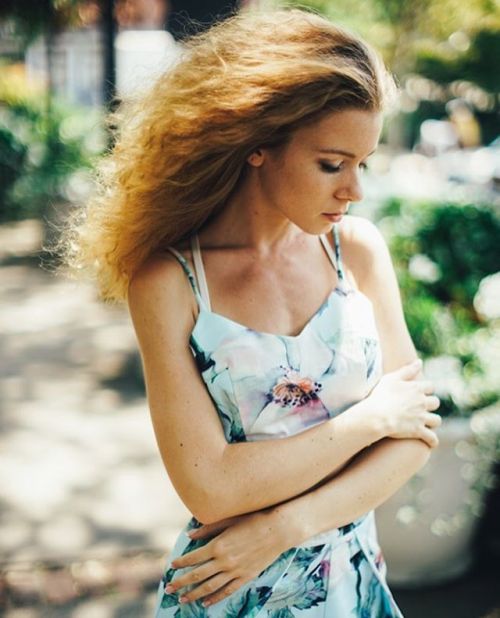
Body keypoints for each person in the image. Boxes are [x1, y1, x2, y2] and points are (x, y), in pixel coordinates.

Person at [57, 7, 442, 616]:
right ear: (258, 144)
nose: (354, 190)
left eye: (361, 164)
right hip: (233, 594)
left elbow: (415, 435)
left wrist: (284, 526)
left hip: (353, 585)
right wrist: (371, 420)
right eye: (330, 164)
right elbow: (211, 487)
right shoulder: (173, 282)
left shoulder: (357, 252)